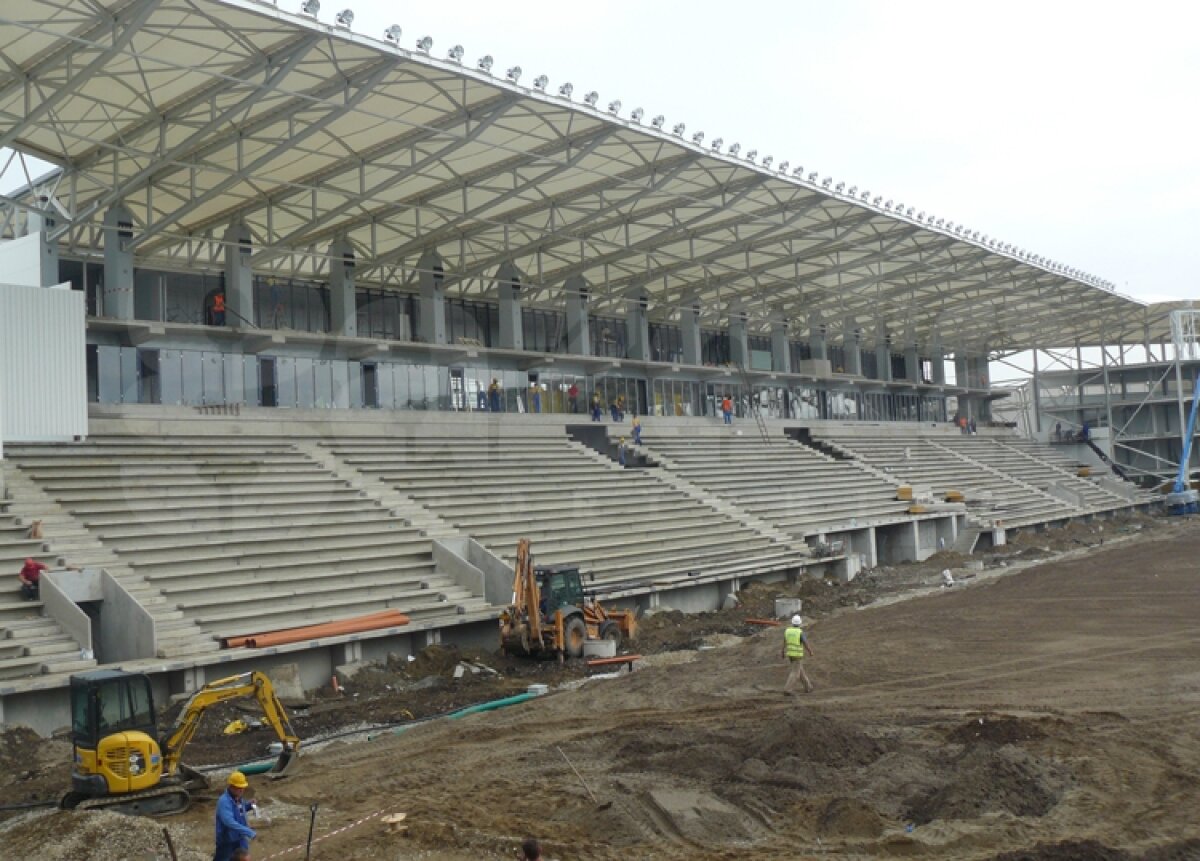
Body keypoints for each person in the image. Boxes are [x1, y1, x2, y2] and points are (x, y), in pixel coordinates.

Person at [214, 771, 257, 861]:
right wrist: (248, 831)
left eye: (243, 788)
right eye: (239, 788)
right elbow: (229, 822)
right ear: (231, 787)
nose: (242, 790)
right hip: (227, 841)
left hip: (240, 838)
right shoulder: (224, 802)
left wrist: (249, 805)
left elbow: (239, 810)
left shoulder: (238, 797)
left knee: (244, 858)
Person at [780, 614, 814, 695]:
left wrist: (782, 652)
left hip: (790, 655)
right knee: (795, 673)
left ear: (792, 622)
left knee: (800, 670)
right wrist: (810, 651)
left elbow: (784, 642)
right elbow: (806, 643)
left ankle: (808, 687)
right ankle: (787, 689)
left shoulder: (787, 631)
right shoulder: (799, 632)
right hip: (797, 655)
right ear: (800, 623)